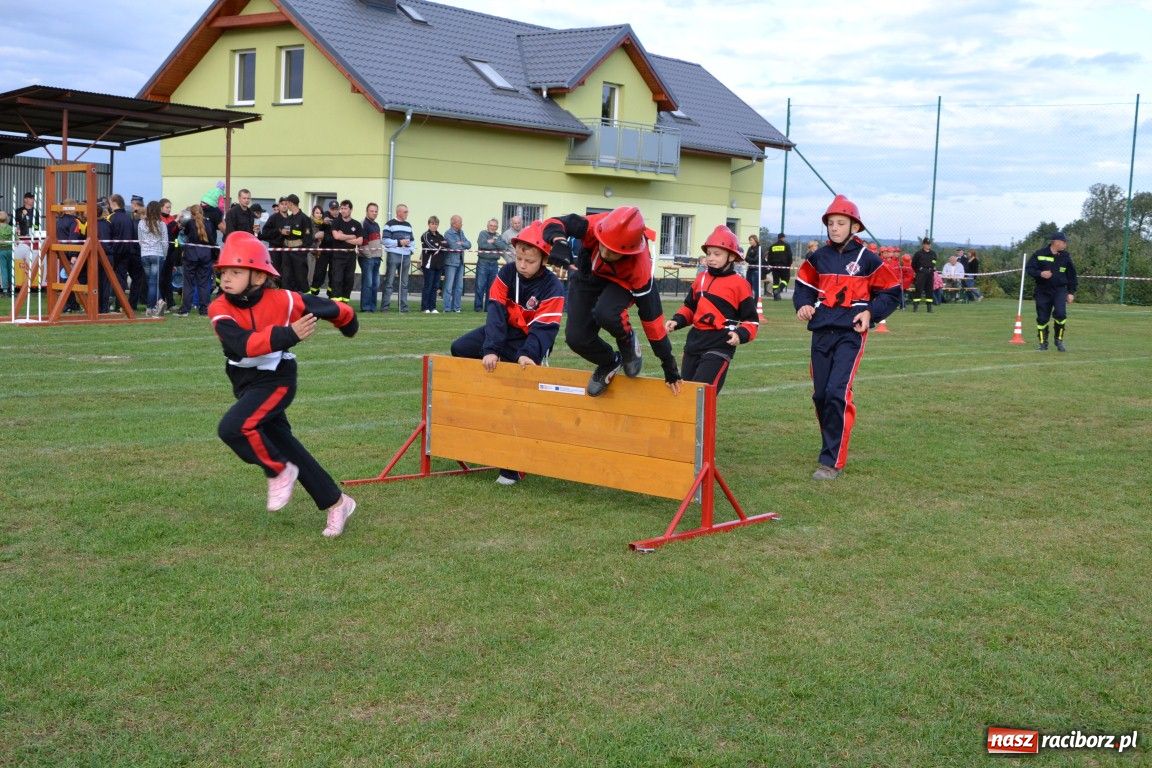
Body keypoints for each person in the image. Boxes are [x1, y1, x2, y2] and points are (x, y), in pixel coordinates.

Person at [208, 231, 359, 537]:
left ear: (260, 277)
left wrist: (347, 320)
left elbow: (322, 306)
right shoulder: (219, 308)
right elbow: (242, 345)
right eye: (224, 272)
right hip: (245, 382)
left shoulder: (284, 300)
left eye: (236, 272)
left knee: (233, 428)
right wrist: (289, 334)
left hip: (277, 380)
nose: (227, 278)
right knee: (287, 446)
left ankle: (277, 471)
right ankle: (337, 502)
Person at [793, 195, 900, 480]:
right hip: (821, 332)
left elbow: (892, 291)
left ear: (855, 227)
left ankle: (831, 462)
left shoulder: (869, 259)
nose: (835, 228)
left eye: (841, 223)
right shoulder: (818, 257)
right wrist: (802, 304)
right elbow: (803, 285)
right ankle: (832, 442)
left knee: (837, 393)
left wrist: (871, 314)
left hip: (851, 335)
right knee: (820, 395)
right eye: (831, 223)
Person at [450, 221, 565, 484]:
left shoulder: (553, 287)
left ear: (544, 259)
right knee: (460, 348)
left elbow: (545, 328)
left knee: (516, 396)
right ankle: (483, 398)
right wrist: (491, 349)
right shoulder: (505, 275)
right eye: (520, 258)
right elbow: (496, 314)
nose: (523, 264)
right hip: (505, 333)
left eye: (530, 260)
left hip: (530, 341)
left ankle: (510, 468)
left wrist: (529, 354)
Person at [542, 205, 682, 396]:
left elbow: (653, 322)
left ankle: (627, 339)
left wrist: (669, 365)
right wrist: (559, 241)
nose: (606, 253)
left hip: (621, 282)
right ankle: (610, 362)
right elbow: (554, 222)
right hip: (588, 275)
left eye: (613, 251)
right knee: (576, 339)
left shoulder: (640, 270)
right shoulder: (593, 225)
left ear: (630, 251)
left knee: (606, 312)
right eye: (603, 245)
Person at [664, 226, 758, 393]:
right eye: (708, 253)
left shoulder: (740, 284)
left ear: (731, 256)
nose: (711, 258)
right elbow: (690, 308)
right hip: (694, 342)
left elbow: (751, 321)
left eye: (717, 254)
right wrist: (676, 321)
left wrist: (740, 334)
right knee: (685, 393)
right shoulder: (700, 279)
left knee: (702, 393)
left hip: (720, 344)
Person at [1026, 231, 1078, 352]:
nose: (1065, 244)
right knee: (1042, 318)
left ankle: (1058, 340)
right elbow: (1029, 269)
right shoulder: (1039, 254)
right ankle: (1043, 343)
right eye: (1064, 242)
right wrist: (1040, 273)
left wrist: (1071, 292)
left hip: (1060, 290)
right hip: (1042, 290)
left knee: (1060, 314)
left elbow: (1072, 276)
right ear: (1056, 242)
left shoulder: (1066, 256)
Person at [177, 203, 215, 316]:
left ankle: (185, 309)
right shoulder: (209, 223)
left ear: (191, 214)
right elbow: (212, 240)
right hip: (205, 256)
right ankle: (204, 309)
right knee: (203, 283)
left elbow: (184, 235)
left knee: (188, 283)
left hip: (191, 255)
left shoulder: (189, 223)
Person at [380, 203, 414, 312]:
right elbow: (385, 240)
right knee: (389, 282)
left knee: (404, 283)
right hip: (394, 255)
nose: (407, 214)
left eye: (407, 212)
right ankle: (385, 307)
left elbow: (412, 241)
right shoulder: (389, 224)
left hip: (406, 255)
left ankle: (403, 307)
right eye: (405, 212)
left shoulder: (408, 225)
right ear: (398, 212)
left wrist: (411, 250)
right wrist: (399, 242)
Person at [328, 200, 362, 302]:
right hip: (338, 255)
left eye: (345, 208)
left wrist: (343, 236)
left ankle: (345, 302)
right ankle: (336, 303)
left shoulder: (356, 224)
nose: (342, 211)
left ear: (350, 210)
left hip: (351, 255)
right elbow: (336, 236)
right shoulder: (336, 222)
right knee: (337, 279)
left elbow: (360, 241)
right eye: (341, 208)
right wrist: (352, 236)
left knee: (349, 280)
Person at [138, 201, 169, 316]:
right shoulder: (162, 225)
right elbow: (165, 243)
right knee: (153, 283)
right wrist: (164, 255)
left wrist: (145, 250)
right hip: (157, 254)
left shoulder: (141, 223)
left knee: (150, 282)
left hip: (145, 255)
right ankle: (153, 305)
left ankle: (155, 305)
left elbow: (140, 240)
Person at [278, 194, 313, 293]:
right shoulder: (288, 218)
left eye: (287, 203)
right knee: (286, 278)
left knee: (301, 278)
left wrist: (302, 253)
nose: (286, 206)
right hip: (287, 252)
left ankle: (306, 301)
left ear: (291, 203)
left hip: (298, 253)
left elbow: (308, 238)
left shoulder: (304, 218)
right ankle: (289, 300)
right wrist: (283, 233)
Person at [474, 218, 508, 311]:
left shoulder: (498, 236)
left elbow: (504, 246)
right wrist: (496, 245)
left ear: (497, 227)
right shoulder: (482, 234)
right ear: (487, 226)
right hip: (483, 262)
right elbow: (482, 245)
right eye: (491, 225)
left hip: (494, 263)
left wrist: (494, 241)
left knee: (491, 287)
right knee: (480, 286)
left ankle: (488, 308)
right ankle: (478, 307)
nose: (493, 227)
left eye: (495, 226)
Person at [309, 200, 339, 297]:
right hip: (323, 251)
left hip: (335, 251)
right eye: (332, 209)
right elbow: (316, 224)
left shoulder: (340, 218)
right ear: (329, 209)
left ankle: (331, 294)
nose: (334, 211)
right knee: (319, 273)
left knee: (333, 274)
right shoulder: (324, 216)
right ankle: (314, 293)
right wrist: (323, 221)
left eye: (336, 209)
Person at [443, 214, 471, 313]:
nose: (462, 224)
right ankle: (446, 308)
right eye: (460, 222)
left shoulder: (461, 233)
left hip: (460, 262)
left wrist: (461, 243)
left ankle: (456, 308)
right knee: (449, 286)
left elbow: (469, 244)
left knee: (459, 287)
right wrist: (461, 244)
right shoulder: (448, 233)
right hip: (451, 263)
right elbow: (454, 246)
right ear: (454, 223)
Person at [358, 202, 383, 311]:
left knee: (375, 284)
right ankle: (366, 307)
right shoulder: (364, 224)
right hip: (367, 258)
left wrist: (378, 255)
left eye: (376, 211)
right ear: (367, 211)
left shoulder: (376, 225)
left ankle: (372, 307)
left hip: (377, 258)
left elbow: (377, 242)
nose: (374, 213)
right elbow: (363, 243)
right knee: (368, 284)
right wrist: (369, 256)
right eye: (372, 211)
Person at [419, 215, 447, 313]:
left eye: (436, 224)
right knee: (428, 285)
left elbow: (446, 244)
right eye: (432, 224)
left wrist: (439, 246)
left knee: (435, 286)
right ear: (429, 224)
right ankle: (425, 307)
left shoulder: (440, 236)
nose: (434, 226)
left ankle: (433, 307)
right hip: (428, 265)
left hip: (438, 265)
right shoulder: (425, 235)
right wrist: (439, 246)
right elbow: (430, 246)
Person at [910, 237, 936, 312]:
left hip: (930, 273)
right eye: (927, 244)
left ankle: (929, 307)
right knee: (919, 289)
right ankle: (915, 306)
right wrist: (919, 271)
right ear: (923, 245)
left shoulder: (933, 253)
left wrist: (932, 268)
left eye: (929, 244)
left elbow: (934, 262)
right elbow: (913, 264)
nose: (928, 245)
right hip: (921, 273)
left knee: (929, 290)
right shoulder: (918, 253)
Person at [767, 232, 793, 300]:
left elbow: (769, 257)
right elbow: (790, 256)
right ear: (783, 238)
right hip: (784, 266)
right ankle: (778, 290)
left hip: (774, 267)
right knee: (786, 279)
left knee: (776, 282)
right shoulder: (786, 245)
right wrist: (789, 265)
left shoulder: (772, 246)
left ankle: (776, 297)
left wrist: (771, 265)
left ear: (778, 238)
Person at [743, 234, 763, 302]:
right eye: (749, 240)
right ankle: (749, 301)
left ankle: (756, 302)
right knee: (748, 287)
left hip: (756, 270)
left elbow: (755, 260)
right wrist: (748, 258)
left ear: (755, 240)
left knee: (756, 288)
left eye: (751, 240)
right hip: (750, 269)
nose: (750, 242)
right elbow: (746, 259)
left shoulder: (759, 248)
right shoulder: (750, 248)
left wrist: (747, 258)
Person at [0, 211, 13, 296]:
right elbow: (17, 239)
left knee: (3, 269)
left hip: (1, 250)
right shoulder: (10, 228)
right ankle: (12, 288)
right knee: (10, 269)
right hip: (10, 250)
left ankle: (5, 289)